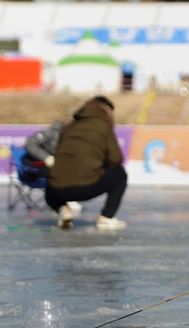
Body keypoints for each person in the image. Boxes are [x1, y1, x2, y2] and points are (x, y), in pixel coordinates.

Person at [45, 96, 128, 231]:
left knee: (52, 180)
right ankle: (106, 217)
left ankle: (64, 210)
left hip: (57, 191)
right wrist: (101, 165)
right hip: (86, 186)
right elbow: (116, 159)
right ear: (106, 111)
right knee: (120, 174)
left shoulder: (68, 127)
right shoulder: (103, 126)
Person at [24, 120, 82, 214]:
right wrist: (47, 158)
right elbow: (30, 143)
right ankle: (61, 202)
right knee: (56, 173)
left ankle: (69, 198)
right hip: (40, 167)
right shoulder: (51, 132)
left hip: (61, 167)